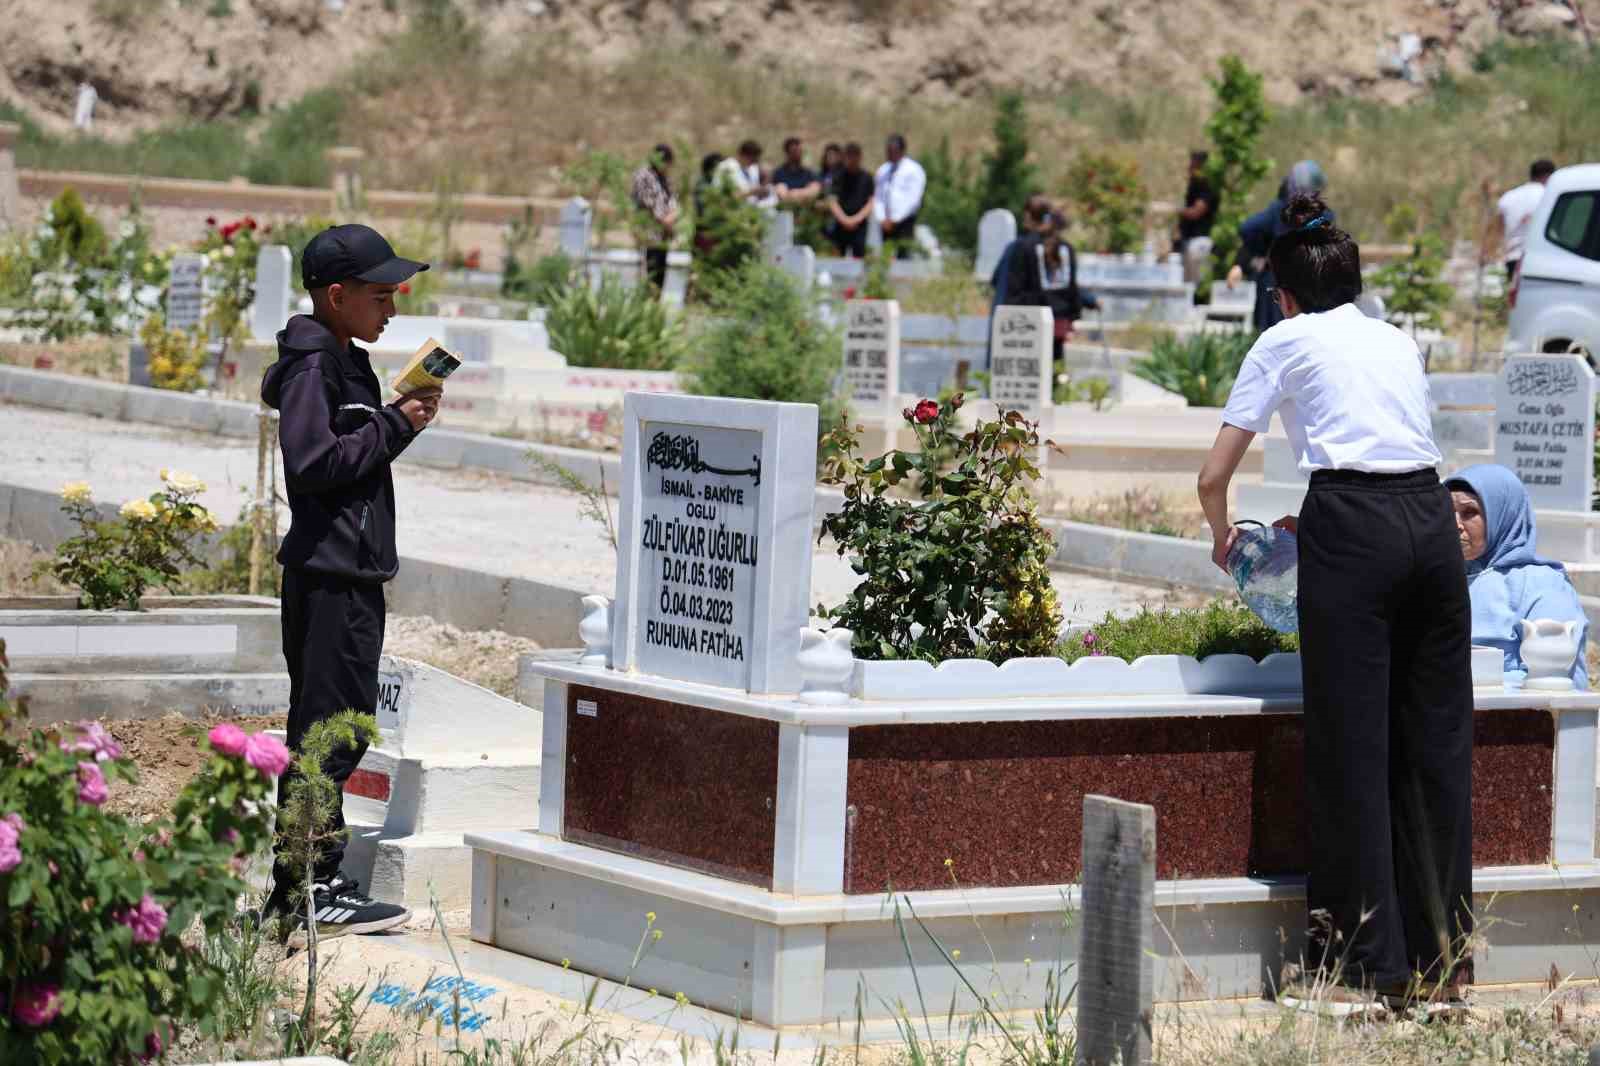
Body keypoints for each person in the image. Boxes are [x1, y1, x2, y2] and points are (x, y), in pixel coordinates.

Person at [1198, 193, 1473, 1013]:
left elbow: (1214, 476)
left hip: (1349, 525)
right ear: (1351, 284)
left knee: (1351, 747)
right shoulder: (1396, 338)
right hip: (1428, 519)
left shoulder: (1281, 339)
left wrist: (1224, 539)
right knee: (1435, 744)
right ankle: (1443, 967)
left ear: (1280, 294)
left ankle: (1360, 971)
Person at [260, 224, 440, 945]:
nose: (392, 308)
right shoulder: (312, 369)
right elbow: (311, 465)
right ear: (337, 296)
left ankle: (306, 886)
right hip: (329, 574)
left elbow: (354, 458)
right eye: (380, 294)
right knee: (328, 733)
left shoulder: (347, 362)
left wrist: (403, 421)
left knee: (341, 724)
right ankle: (305, 889)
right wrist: (393, 425)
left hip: (351, 569)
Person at [1446, 464, 1588, 688]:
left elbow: (1551, 677)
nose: (1455, 525)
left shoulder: (1540, 585)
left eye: (1469, 513)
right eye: (1446, 512)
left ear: (1502, 515)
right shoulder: (1438, 579)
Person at [1227, 161, 1331, 333]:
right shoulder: (1320, 217)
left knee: (1275, 336)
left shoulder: (1281, 211)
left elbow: (1248, 229)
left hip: (1280, 283)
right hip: (1307, 284)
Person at [1003, 211, 1085, 360]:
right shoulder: (1067, 248)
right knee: (1054, 364)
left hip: (1029, 319)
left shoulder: (1024, 247)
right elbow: (1072, 287)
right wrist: (1073, 315)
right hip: (1059, 317)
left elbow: (1014, 286)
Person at [1483, 159, 1556, 282]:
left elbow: (1497, 231)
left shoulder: (1508, 197)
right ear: (1549, 176)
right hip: (1541, 259)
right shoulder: (1549, 195)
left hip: (1513, 259)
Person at [630, 144, 679, 296]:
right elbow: (648, 204)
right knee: (648, 276)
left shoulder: (664, 178)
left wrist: (672, 217)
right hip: (648, 234)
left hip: (663, 235)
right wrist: (665, 221)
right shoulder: (643, 175)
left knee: (659, 278)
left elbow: (673, 200)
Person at [873, 133, 926, 258]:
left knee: (904, 255)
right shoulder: (883, 170)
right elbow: (879, 196)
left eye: (893, 151)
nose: (890, 154)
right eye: (888, 151)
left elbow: (913, 199)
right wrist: (882, 218)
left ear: (902, 150)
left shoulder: (913, 170)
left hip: (904, 221)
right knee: (885, 255)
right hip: (885, 222)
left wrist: (895, 219)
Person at [1174, 150, 1219, 283]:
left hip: (1200, 243)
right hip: (1190, 241)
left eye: (1193, 166)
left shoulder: (1208, 186)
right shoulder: (1195, 185)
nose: (1190, 169)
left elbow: (1196, 212)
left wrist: (1173, 210)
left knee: (1196, 286)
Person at [829, 142, 876, 258]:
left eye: (855, 156)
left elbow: (871, 202)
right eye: (849, 156)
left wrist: (856, 219)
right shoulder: (837, 177)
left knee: (859, 258)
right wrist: (844, 220)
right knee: (837, 257)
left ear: (860, 157)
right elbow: (832, 201)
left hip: (860, 224)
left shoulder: (867, 178)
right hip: (840, 224)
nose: (852, 159)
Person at [772, 136, 821, 205]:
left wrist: (795, 193)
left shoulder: (809, 173)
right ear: (787, 153)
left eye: (800, 151)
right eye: (795, 151)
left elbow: (815, 190)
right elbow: (781, 193)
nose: (799, 154)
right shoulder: (779, 173)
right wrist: (803, 193)